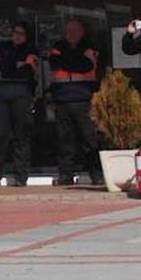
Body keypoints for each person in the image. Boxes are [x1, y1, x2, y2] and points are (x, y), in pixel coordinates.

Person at [48, 19, 103, 186]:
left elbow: (85, 65)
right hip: (62, 100)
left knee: (89, 140)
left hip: (83, 99)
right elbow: (55, 63)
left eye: (75, 30)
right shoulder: (57, 47)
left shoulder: (90, 46)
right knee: (65, 140)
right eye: (68, 30)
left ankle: (96, 174)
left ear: (82, 32)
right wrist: (72, 60)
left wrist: (68, 61)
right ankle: (66, 175)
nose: (71, 34)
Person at [0, 21, 39, 188]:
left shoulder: (31, 50)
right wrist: (16, 65)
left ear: (27, 35)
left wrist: (8, 66)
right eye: (15, 32)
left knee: (21, 136)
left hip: (22, 95)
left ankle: (20, 177)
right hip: (0, 96)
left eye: (21, 33)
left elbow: (28, 71)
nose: (17, 35)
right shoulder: (1, 47)